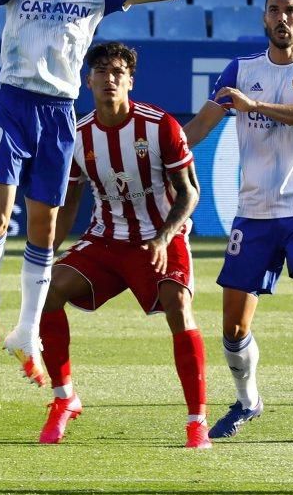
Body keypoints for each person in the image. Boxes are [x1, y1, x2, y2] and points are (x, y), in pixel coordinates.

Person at [0, 0, 202, 386]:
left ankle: (25, 331)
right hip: (13, 103)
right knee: (0, 216)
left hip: (60, 114)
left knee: (43, 230)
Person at [183, 0, 293, 444]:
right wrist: (151, 151)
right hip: (254, 211)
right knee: (233, 325)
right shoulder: (240, 71)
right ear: (264, 18)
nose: (282, 18)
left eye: (290, 11)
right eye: (274, 11)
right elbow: (198, 127)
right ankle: (249, 400)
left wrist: (256, 106)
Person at [37, 41, 211, 449]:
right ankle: (64, 400)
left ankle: (196, 422)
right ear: (88, 79)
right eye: (101, 71)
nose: (109, 78)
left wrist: (165, 236)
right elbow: (69, 205)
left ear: (130, 80)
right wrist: (42, 258)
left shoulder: (159, 126)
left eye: (118, 72)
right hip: (106, 240)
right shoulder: (77, 136)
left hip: (160, 236)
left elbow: (190, 192)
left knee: (179, 307)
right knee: (48, 291)